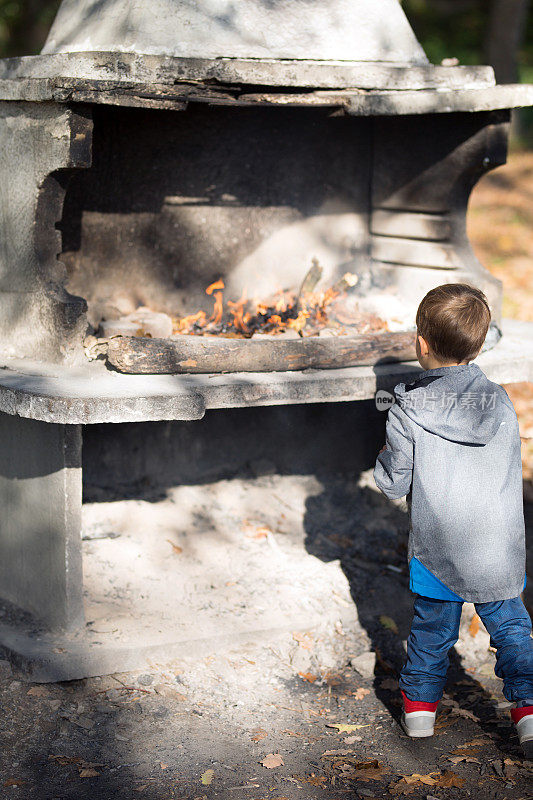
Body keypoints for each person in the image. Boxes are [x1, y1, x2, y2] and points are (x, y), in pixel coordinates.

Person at [373, 282, 533, 757]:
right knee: (511, 632)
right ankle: (527, 713)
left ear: (420, 344)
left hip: (437, 549)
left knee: (431, 634)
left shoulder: (406, 408)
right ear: (480, 345)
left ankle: (420, 716)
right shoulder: (500, 403)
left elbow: (393, 480)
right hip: (497, 548)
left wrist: (383, 473)